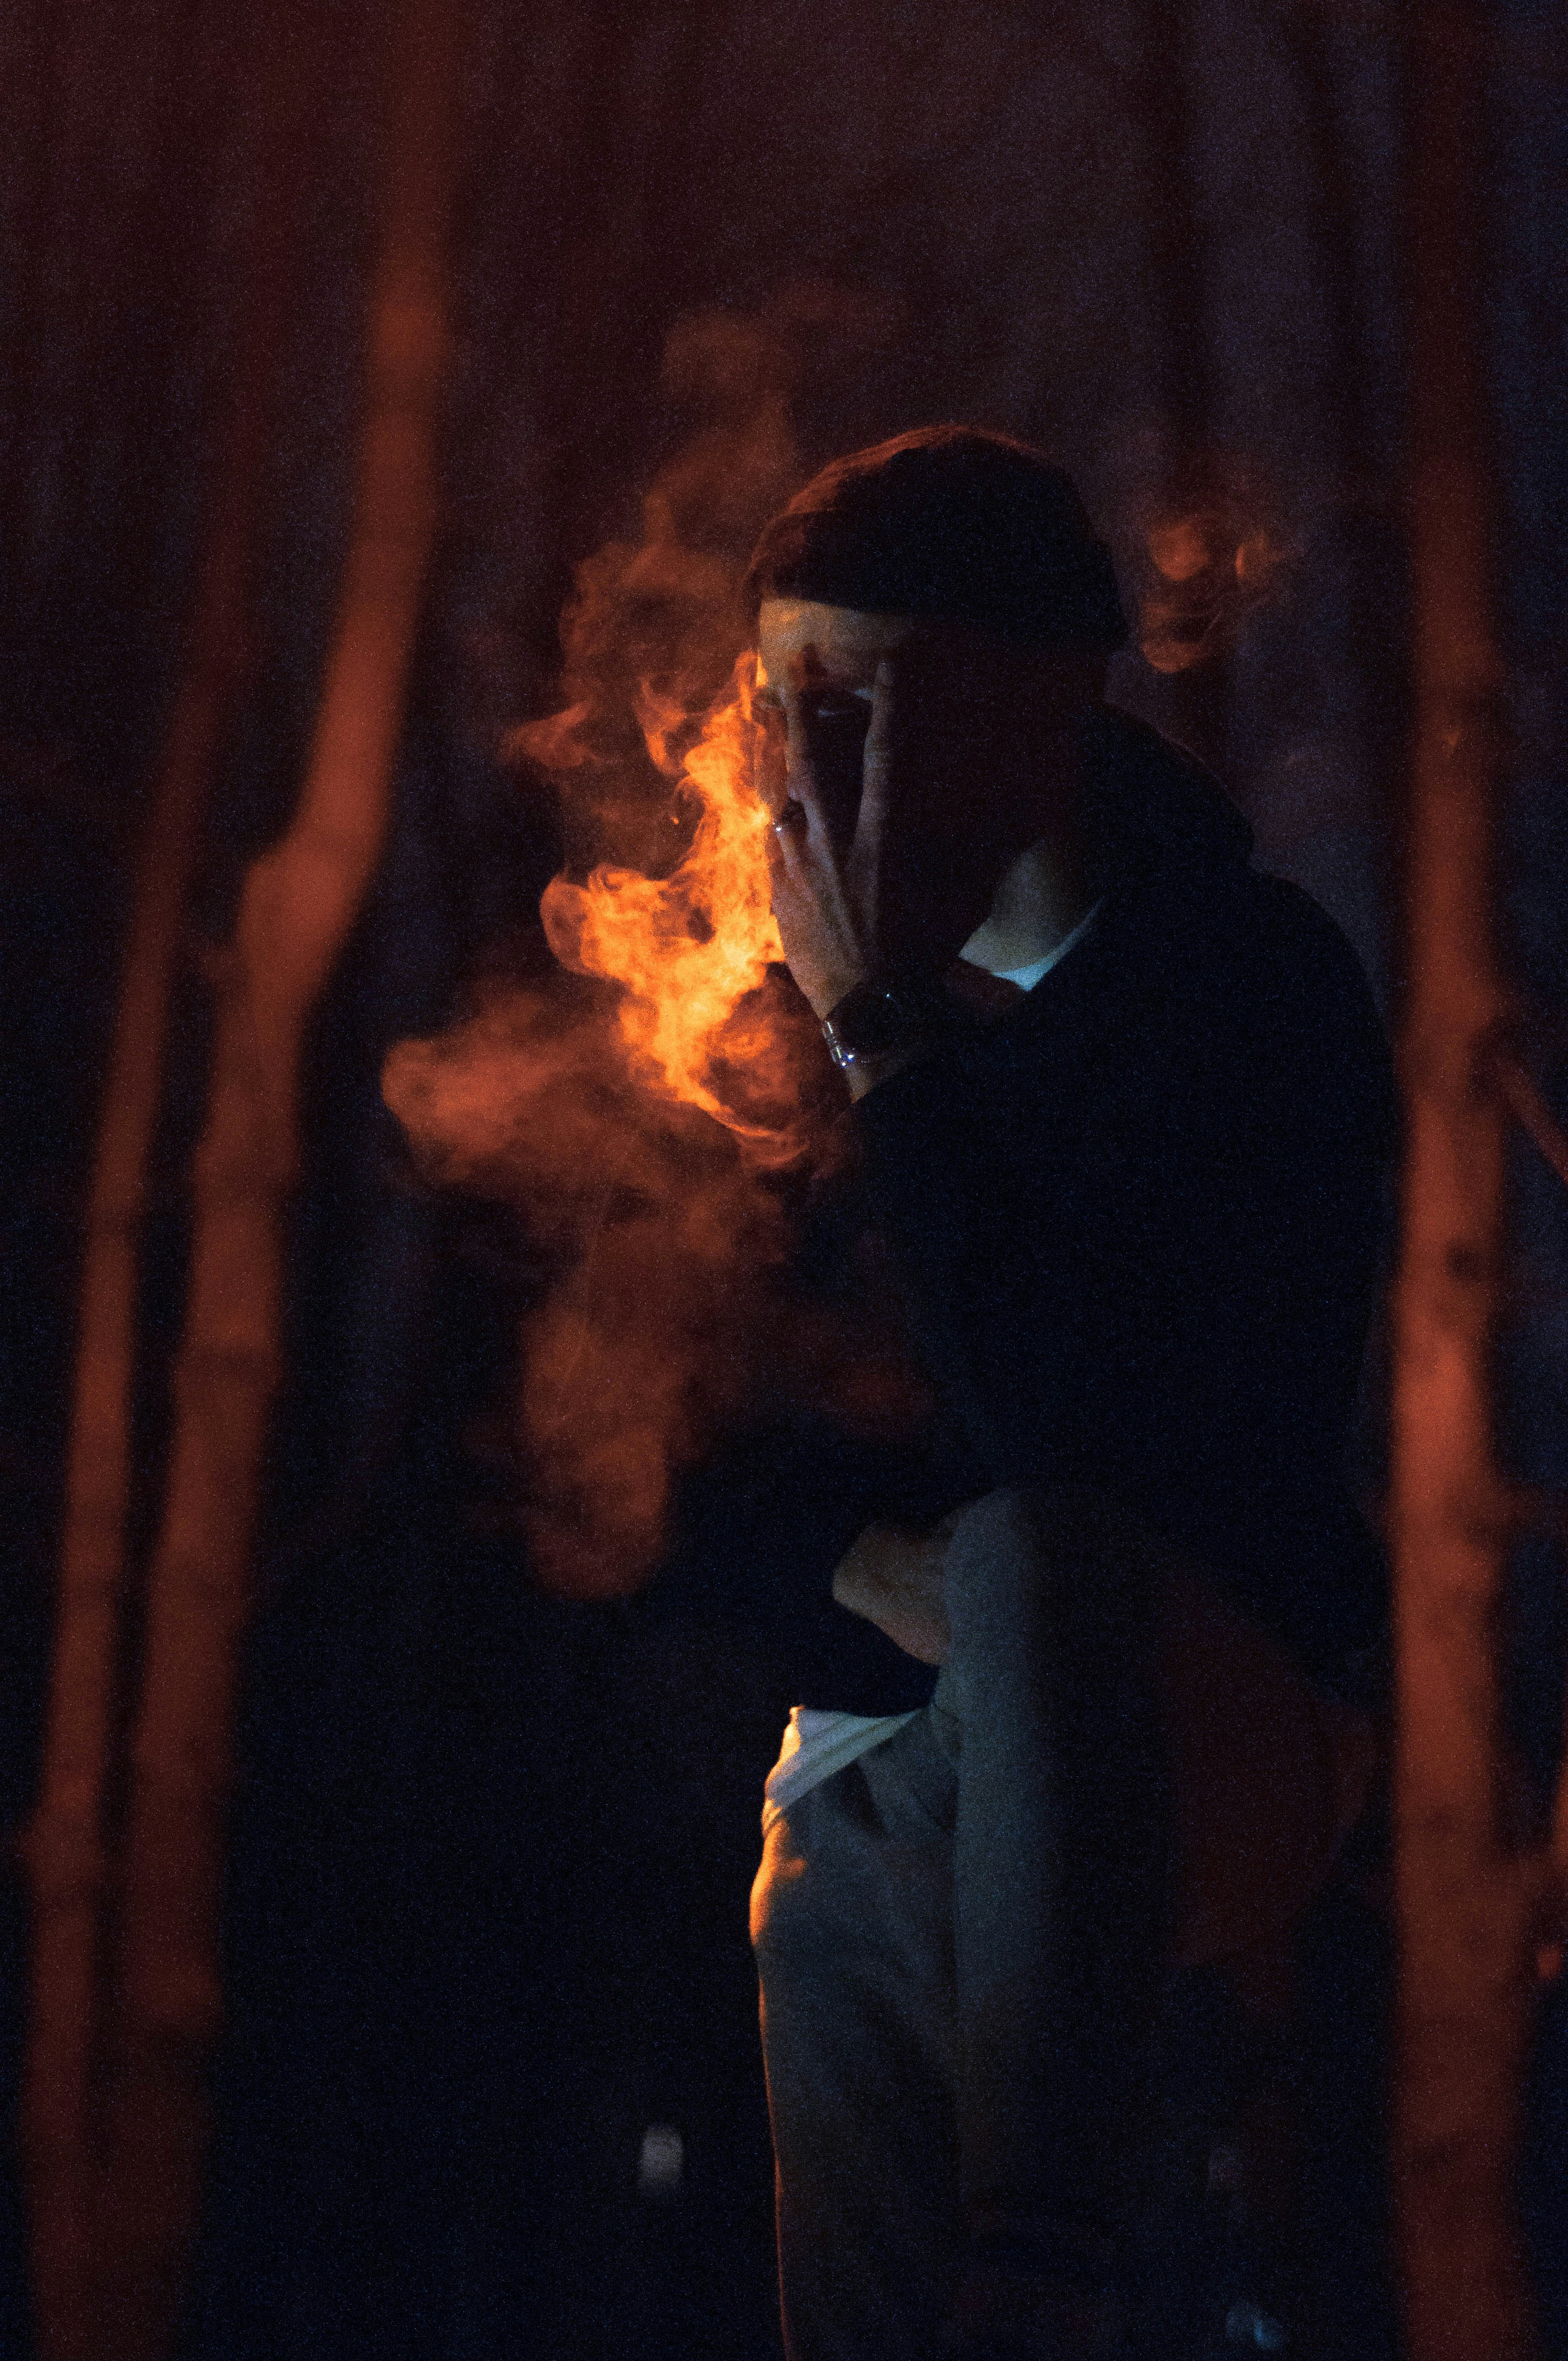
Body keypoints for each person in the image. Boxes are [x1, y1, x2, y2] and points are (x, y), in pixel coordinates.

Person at [738, 427, 1394, 2361]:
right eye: (775, 703)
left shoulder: (1243, 991)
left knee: (1031, 1566)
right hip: (890, 1749)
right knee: (829, 1837)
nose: (801, 767)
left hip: (1216, 1729)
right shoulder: (773, 1013)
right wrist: (868, 1567)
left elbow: (1102, 1463)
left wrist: (893, 1060)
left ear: (1039, 706)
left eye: (851, 701)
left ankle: (1044, 2272)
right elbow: (639, 1478)